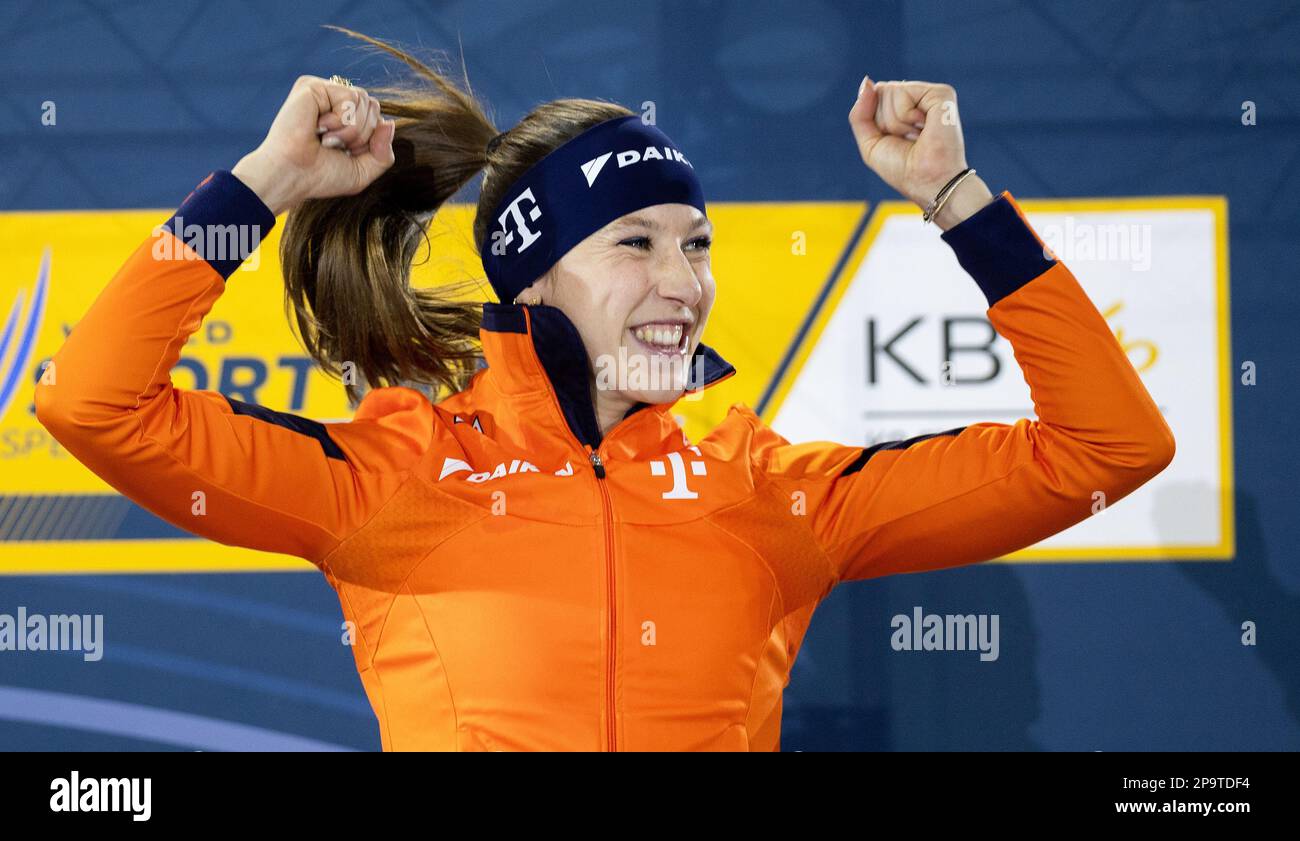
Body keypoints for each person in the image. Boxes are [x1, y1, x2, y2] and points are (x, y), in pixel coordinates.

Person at [35, 34, 1174, 751]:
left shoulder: (777, 494)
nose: (685, 283)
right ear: (532, 270)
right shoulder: (395, 474)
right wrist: (266, 182)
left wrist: (960, 202)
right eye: (635, 243)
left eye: (698, 244)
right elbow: (94, 403)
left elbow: (1108, 450)